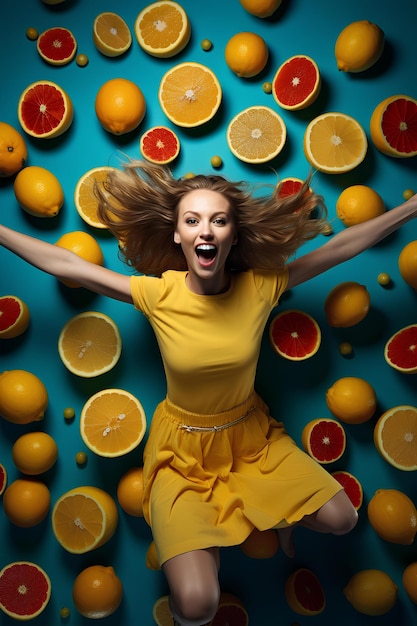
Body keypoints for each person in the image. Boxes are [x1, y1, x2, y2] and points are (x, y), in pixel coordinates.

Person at [1, 160, 416, 626]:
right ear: (177, 235)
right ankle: (192, 548)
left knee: (343, 518)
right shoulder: (158, 294)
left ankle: (266, 517)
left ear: (233, 236)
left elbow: (341, 247)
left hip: (253, 442)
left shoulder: (261, 287)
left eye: (219, 220)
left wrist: (411, 208)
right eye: (192, 220)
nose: (206, 230)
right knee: (198, 607)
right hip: (181, 452)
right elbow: (66, 263)